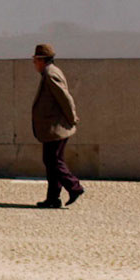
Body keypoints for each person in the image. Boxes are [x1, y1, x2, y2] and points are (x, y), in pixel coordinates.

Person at [31, 43, 84, 207]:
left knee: (53, 161)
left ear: (41, 60)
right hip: (52, 128)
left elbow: (64, 97)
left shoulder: (50, 73)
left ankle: (74, 187)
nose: (34, 64)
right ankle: (53, 198)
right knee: (52, 161)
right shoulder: (50, 72)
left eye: (35, 61)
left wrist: (72, 117)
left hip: (56, 128)